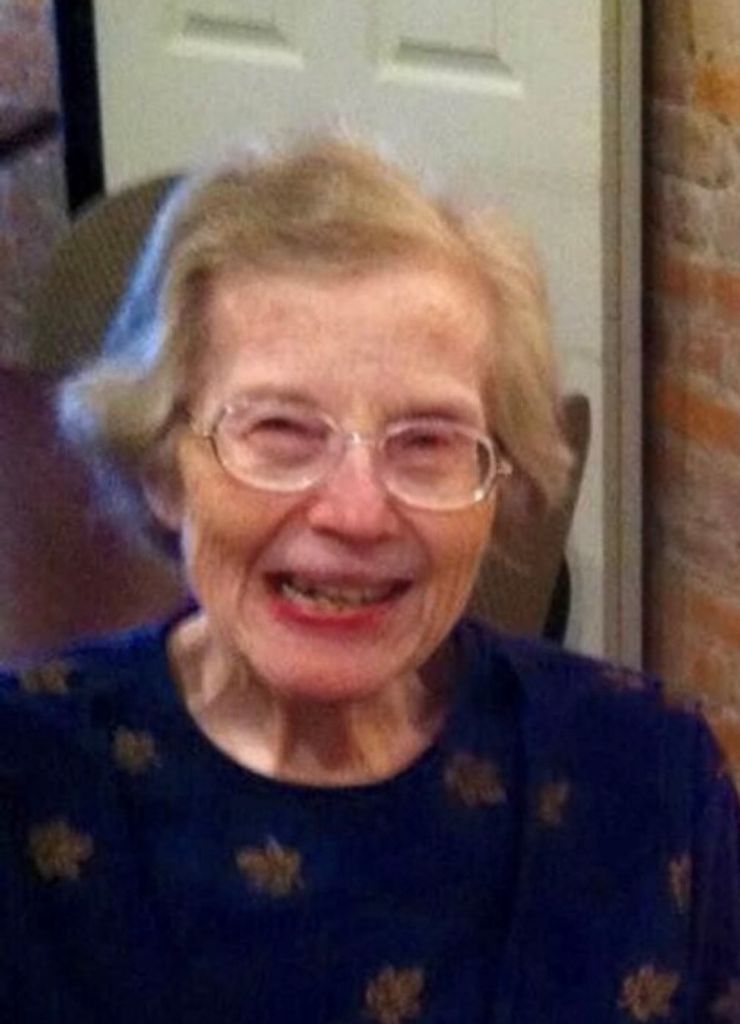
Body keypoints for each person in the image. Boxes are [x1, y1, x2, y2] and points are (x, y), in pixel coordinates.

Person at [0, 137, 737, 1024]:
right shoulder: (25, 783)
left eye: (427, 440)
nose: (357, 512)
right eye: (279, 430)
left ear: (500, 480)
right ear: (162, 467)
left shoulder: (651, 779)